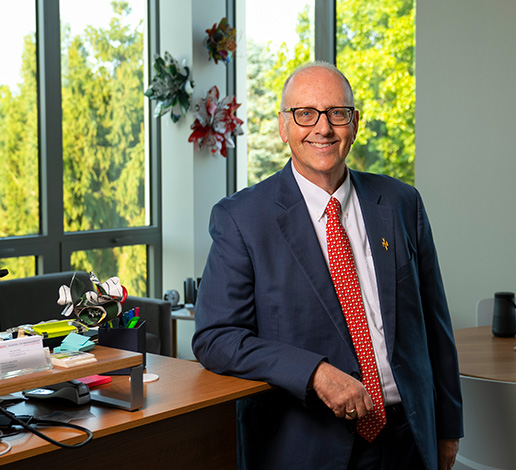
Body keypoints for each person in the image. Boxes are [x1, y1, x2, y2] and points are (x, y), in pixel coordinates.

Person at [192, 62, 463, 470]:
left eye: (337, 113)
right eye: (305, 114)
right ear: (284, 127)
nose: (322, 128)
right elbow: (215, 338)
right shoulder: (242, 218)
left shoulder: (402, 203)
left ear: (353, 124)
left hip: (409, 437)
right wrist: (315, 373)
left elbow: (435, 327)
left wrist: (448, 428)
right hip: (307, 445)